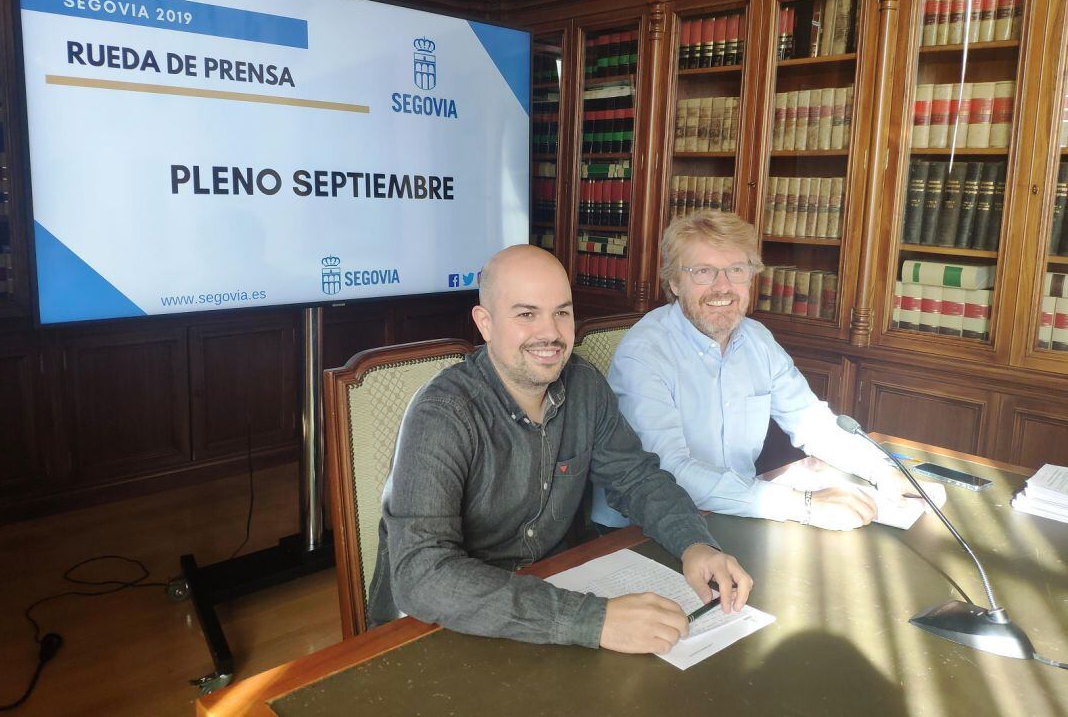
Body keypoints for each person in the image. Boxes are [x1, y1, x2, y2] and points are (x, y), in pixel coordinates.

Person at [368, 244, 752, 654]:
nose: (549, 333)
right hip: (439, 626)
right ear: (485, 323)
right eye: (526, 314)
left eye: (562, 312)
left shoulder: (584, 386)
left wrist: (695, 544)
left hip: (551, 594)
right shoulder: (442, 414)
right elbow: (423, 575)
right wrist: (593, 620)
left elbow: (637, 478)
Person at [591, 210, 903, 533]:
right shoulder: (644, 353)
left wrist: (884, 472)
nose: (723, 287)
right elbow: (669, 473)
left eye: (736, 270)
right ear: (674, 281)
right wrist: (804, 504)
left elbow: (813, 423)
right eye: (703, 271)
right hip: (644, 529)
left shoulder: (757, 340)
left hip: (730, 514)